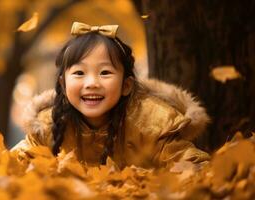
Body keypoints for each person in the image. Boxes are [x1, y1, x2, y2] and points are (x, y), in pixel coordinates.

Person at [12, 22, 210, 168]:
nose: (91, 83)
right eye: (79, 73)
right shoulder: (49, 124)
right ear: (63, 85)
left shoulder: (151, 123)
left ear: (126, 86)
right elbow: (15, 164)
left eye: (105, 72)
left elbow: (191, 164)